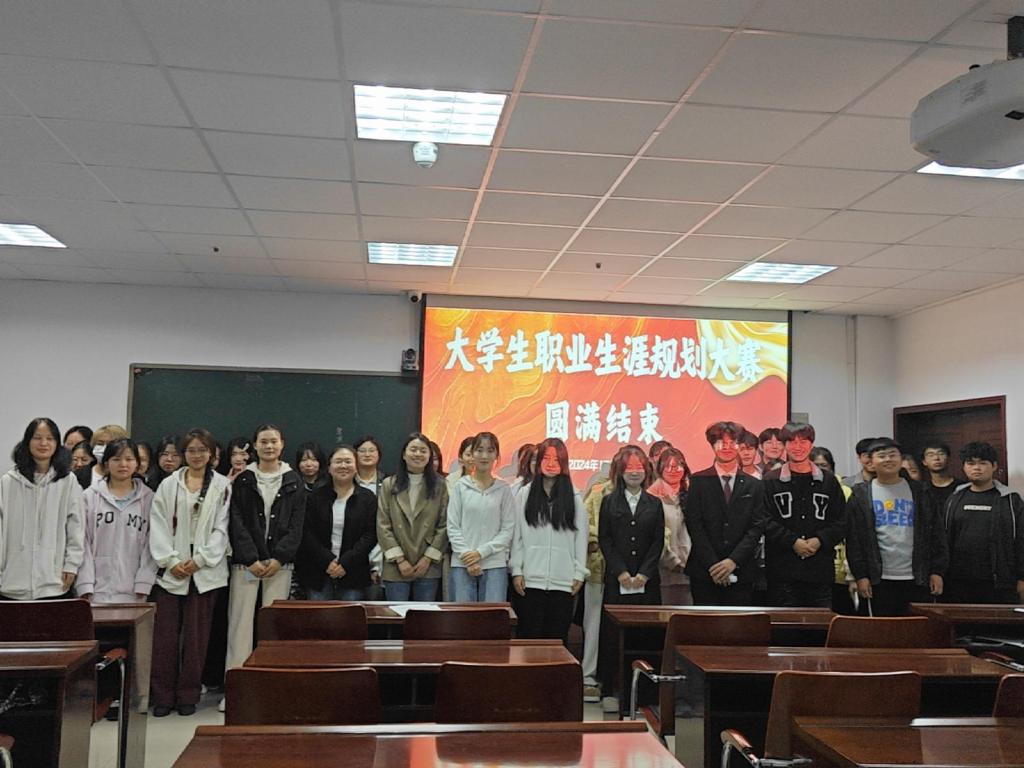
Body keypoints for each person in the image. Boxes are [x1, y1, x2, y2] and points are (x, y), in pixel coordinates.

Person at [148, 428, 231, 717]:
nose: (197, 455)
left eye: (202, 450)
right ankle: (162, 696)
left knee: (197, 638)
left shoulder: (222, 485)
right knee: (165, 637)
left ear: (212, 454)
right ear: (184, 454)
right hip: (173, 567)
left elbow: (223, 528)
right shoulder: (169, 484)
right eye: (191, 450)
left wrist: (201, 559)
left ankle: (188, 695)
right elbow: (158, 523)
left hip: (206, 569)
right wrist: (171, 560)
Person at [224, 425, 305, 683]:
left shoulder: (293, 480)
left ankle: (270, 684)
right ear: (255, 446)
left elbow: (297, 525)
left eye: (273, 441)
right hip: (246, 565)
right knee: (240, 627)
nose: (269, 446)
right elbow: (236, 522)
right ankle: (236, 686)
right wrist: (251, 558)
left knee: (273, 626)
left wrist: (279, 557)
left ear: (282, 444)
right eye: (263, 442)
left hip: (279, 565)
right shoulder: (244, 479)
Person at [846, 438, 948, 616]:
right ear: (871, 462)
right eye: (881, 455)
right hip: (878, 578)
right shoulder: (860, 495)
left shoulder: (921, 492)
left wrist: (937, 571)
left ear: (901, 460)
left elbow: (937, 534)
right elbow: (854, 540)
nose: (888, 459)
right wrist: (861, 576)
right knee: (883, 628)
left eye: (893, 454)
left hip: (918, 576)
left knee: (917, 627)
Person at [598, 445, 664, 713]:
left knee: (645, 637)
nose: (634, 472)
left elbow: (657, 542)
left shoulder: (654, 503)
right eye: (629, 467)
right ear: (620, 471)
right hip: (618, 582)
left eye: (639, 467)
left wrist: (644, 573)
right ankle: (612, 691)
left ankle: (645, 695)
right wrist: (622, 572)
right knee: (613, 637)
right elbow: (605, 540)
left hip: (647, 584)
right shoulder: (608, 501)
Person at [761, 423, 846, 608]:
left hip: (820, 571)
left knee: (820, 622)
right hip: (782, 572)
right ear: (784, 445)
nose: (798, 447)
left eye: (803, 441)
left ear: (811, 444)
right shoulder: (770, 480)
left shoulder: (828, 480)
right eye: (792, 442)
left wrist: (820, 539)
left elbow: (842, 520)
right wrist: (792, 541)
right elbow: (763, 518)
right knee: (784, 623)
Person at [510, 438, 588, 640]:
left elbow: (581, 539)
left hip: (564, 583)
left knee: (556, 640)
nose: (551, 464)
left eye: (557, 459)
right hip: (529, 582)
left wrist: (579, 573)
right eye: (546, 458)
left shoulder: (574, 497)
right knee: (528, 638)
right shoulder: (524, 495)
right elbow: (517, 536)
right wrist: (517, 570)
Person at [0, 418, 84, 600]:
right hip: (11, 583)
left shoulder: (67, 481)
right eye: (37, 438)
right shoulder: (8, 482)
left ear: (57, 444)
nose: (43, 443)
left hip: (53, 584)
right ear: (27, 442)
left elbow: (76, 526)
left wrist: (71, 565)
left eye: (50, 438)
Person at [685, 421, 766, 606]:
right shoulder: (698, 481)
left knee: (738, 623)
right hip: (705, 571)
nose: (727, 448)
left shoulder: (754, 485)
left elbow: (756, 527)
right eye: (721, 443)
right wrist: (714, 564)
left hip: (742, 570)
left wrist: (732, 561)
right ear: (712, 445)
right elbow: (694, 525)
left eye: (733, 443)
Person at [942, 441, 1024, 604]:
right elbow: (943, 539)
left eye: (983, 463)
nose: (976, 468)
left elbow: (1022, 540)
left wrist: (1022, 577)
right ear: (964, 467)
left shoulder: (1010, 500)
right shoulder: (954, 498)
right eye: (970, 463)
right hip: (958, 582)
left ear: (994, 466)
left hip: (1001, 582)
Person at [77, 438, 158, 603]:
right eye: (116, 459)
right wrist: (85, 584)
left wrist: (143, 583)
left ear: (137, 463)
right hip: (95, 590)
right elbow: (82, 542)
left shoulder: (150, 499)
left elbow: (152, 545)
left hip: (135, 591)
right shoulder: (89, 497)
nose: (123, 464)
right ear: (106, 463)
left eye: (129, 459)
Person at [299, 445, 377, 601]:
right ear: (329, 467)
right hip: (319, 571)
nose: (343, 466)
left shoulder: (367, 498)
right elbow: (306, 532)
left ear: (356, 467)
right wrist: (327, 560)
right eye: (338, 461)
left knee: (348, 616)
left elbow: (371, 535)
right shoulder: (315, 497)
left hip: (353, 572)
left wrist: (345, 563)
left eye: (348, 461)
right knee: (319, 615)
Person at [376, 433, 448, 601]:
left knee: (423, 615)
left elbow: (444, 525)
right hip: (396, 565)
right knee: (396, 614)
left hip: (428, 565)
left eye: (423, 451)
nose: (418, 454)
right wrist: (400, 560)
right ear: (404, 454)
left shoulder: (440, 485)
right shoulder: (389, 484)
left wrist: (428, 558)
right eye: (413, 449)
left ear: (429, 456)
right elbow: (383, 524)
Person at [447, 432, 514, 602]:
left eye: (490, 451)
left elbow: (507, 529)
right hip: (462, 563)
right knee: (462, 616)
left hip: (494, 564)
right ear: (472, 454)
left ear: (497, 456)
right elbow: (453, 526)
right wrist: (468, 556)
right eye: (479, 450)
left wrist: (481, 553)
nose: (484, 456)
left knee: (492, 615)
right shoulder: (460, 487)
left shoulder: (504, 489)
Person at [810, 446, 856, 614]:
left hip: (842, 569)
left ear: (831, 467)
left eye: (824, 465)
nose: (820, 470)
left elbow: (849, 531)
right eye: (815, 465)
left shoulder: (845, 491)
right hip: (814, 566)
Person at [647, 447, 692, 605]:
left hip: (690, 569)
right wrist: (673, 562)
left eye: (678, 466)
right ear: (660, 469)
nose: (673, 470)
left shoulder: (691, 493)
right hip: (663, 569)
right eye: (668, 466)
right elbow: (653, 536)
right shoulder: (651, 497)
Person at [75, 424, 129, 489]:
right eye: (100, 444)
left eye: (109, 444)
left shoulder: (131, 476)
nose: (104, 448)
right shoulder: (78, 475)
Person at [921, 442, 958, 513]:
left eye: (941, 454)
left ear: (948, 458)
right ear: (924, 462)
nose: (936, 458)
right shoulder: (922, 490)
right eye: (931, 455)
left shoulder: (961, 488)